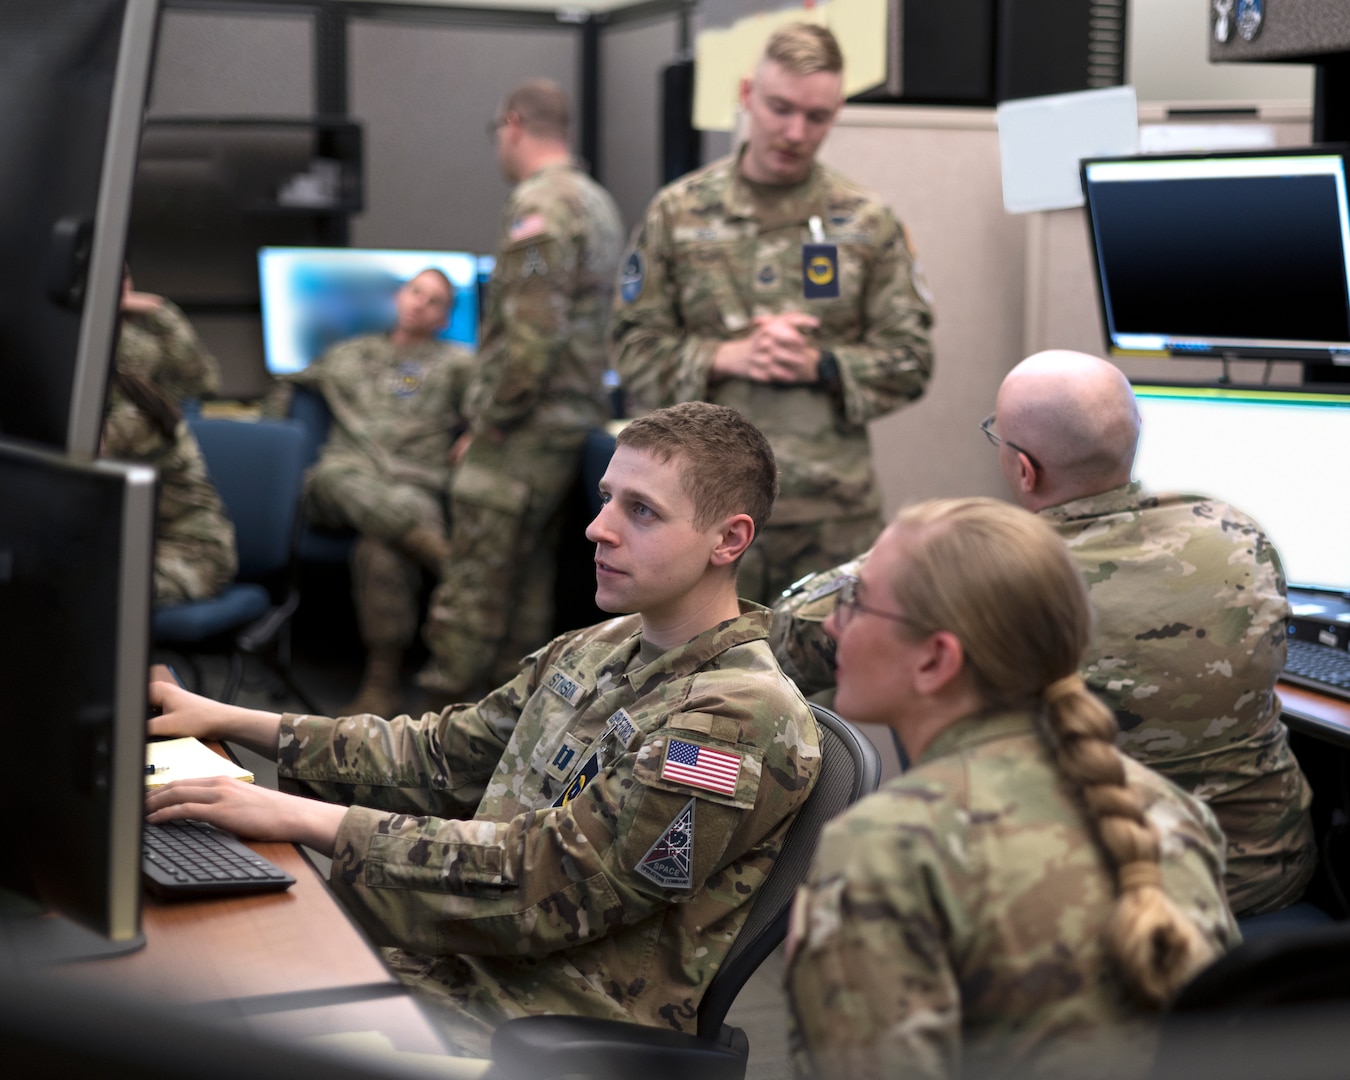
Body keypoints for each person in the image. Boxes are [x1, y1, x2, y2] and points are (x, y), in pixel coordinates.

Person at [144, 401, 821, 1056]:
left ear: (728, 539)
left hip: (526, 1029)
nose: (598, 527)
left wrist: (295, 816)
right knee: (177, 988)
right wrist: (231, 720)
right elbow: (443, 756)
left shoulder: (735, 720)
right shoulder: (599, 646)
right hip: (444, 969)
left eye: (640, 511)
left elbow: (547, 884)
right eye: (606, 498)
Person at [771, 350, 1317, 918]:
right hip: (1260, 877)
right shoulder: (1235, 533)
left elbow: (793, 635)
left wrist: (922, 544)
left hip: (1079, 908)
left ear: (1025, 470)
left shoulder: (985, 574)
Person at [785, 497, 1238, 1080]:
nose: (829, 623)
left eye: (856, 602)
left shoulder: (887, 846)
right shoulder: (1170, 809)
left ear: (936, 660)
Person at [610, 22, 934, 606]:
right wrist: (727, 356)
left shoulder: (865, 221)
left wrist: (821, 364)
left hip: (827, 514)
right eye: (780, 108)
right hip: (693, 511)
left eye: (817, 116)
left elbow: (911, 358)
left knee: (827, 685)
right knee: (694, 681)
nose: (795, 132)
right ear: (746, 95)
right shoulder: (678, 213)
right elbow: (631, 346)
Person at [418, 78, 624, 704]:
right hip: (570, 421)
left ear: (513, 124)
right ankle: (511, 729)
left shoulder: (540, 204)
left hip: (525, 427)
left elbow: (532, 340)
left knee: (474, 586)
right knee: (528, 586)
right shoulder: (595, 201)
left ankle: (434, 728)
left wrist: (490, 421)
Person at [281, 267, 475, 718]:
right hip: (344, 482)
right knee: (327, 476)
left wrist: (476, 435)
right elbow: (286, 393)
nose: (420, 304)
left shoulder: (459, 364)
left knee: (380, 551)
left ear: (445, 318)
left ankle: (381, 682)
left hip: (414, 483)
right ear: (399, 297)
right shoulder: (347, 354)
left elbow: (493, 409)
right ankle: (446, 563)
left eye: (434, 301)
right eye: (415, 292)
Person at [102, 271, 236, 606]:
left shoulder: (141, 415)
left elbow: (203, 380)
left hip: (192, 550)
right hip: (129, 546)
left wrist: (159, 310)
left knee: (96, 591)